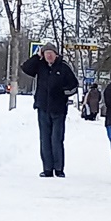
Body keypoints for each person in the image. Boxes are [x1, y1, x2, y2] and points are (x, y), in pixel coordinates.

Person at [21, 42, 79, 178]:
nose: (48, 57)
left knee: (56, 139)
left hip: (58, 109)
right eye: (46, 54)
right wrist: (37, 56)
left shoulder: (63, 67)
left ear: (56, 54)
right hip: (43, 107)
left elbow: (74, 85)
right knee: (44, 139)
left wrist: (64, 93)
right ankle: (47, 168)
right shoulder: (40, 66)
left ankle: (58, 168)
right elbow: (25, 68)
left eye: (51, 54)